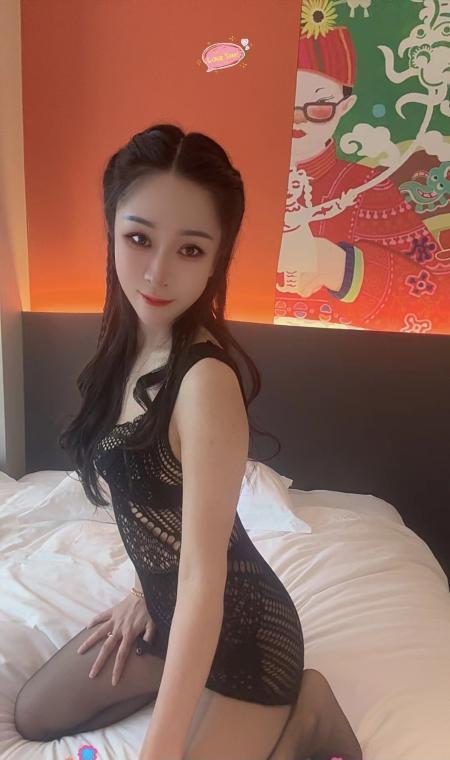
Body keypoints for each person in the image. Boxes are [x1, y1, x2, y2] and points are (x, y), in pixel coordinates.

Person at [13, 124, 362, 760]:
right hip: (167, 612)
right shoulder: (127, 347)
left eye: (191, 250)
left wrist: (161, 748)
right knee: (35, 715)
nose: (157, 272)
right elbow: (153, 516)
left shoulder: (203, 382)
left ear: (218, 257)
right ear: (112, 229)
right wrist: (142, 593)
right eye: (139, 238)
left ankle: (308, 711)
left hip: (245, 636)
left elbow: (203, 577)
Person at [276, 25, 450, 334]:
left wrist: (342, 267)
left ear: (345, 107)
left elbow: (437, 300)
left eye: (318, 106)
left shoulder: (368, 187)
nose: (298, 119)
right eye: (285, 104)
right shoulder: (235, 181)